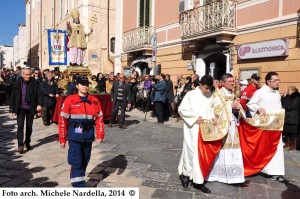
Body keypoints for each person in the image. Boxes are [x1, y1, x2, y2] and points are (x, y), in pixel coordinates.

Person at [58, 76, 105, 187]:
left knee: (85, 159)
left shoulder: (94, 100)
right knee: (76, 160)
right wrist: (62, 138)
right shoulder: (70, 100)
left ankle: (78, 177)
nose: (85, 86)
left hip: (88, 134)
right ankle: (79, 186)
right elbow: (62, 120)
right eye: (82, 84)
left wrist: (100, 133)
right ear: (77, 85)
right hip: (75, 135)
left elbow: (100, 119)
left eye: (86, 84)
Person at [247, 72, 287, 183]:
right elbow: (251, 104)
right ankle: (262, 168)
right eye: (276, 80)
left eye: (278, 80)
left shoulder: (277, 93)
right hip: (264, 127)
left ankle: (276, 172)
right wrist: (259, 108)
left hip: (275, 126)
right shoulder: (260, 92)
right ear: (269, 82)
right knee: (263, 149)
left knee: (277, 149)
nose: (278, 82)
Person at [178, 75, 215, 193]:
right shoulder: (190, 95)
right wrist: (194, 119)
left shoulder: (210, 95)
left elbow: (211, 109)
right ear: (200, 85)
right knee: (190, 152)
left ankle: (198, 181)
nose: (208, 90)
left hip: (205, 129)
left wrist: (214, 117)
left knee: (201, 154)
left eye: (210, 88)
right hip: (192, 128)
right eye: (206, 88)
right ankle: (186, 175)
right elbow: (182, 109)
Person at [207, 73, 245, 184]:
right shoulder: (217, 94)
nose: (232, 83)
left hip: (233, 126)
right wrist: (230, 106)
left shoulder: (233, 94)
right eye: (229, 81)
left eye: (233, 81)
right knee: (222, 151)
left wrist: (237, 109)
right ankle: (219, 174)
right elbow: (215, 110)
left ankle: (234, 176)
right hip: (222, 127)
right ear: (222, 83)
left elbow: (239, 109)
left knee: (233, 150)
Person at [9, 68, 42, 153]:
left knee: (29, 126)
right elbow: (12, 95)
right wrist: (12, 108)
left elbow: (39, 94)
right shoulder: (17, 83)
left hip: (31, 108)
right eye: (26, 75)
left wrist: (39, 104)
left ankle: (27, 142)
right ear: (22, 74)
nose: (28, 76)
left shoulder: (35, 83)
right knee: (20, 126)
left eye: (29, 74)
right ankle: (20, 145)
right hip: (20, 108)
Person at [281, 86, 300, 151]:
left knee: (293, 132)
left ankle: (293, 145)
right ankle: (287, 143)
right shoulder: (288, 97)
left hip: (293, 117)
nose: (287, 91)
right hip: (287, 117)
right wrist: (284, 96)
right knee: (286, 131)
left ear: (293, 91)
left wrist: (284, 107)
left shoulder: (297, 97)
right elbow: (283, 102)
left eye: (289, 90)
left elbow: (293, 106)